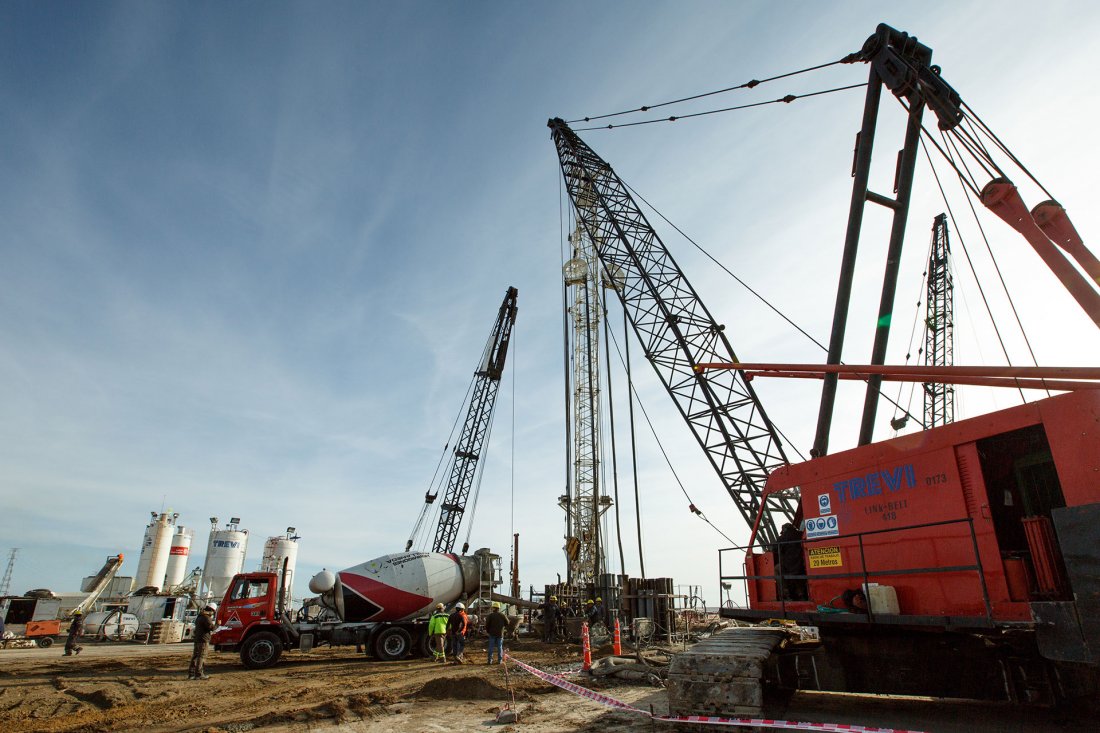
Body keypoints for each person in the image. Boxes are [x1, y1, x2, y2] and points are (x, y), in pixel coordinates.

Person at [774, 522, 808, 601]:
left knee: (777, 569)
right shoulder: (800, 534)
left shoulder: (782, 538)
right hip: (802, 565)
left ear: (784, 530)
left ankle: (786, 595)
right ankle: (801, 594)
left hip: (788, 566)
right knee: (798, 572)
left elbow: (774, 549)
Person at [188, 603, 216, 680]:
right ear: (211, 610)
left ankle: (191, 674)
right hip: (203, 640)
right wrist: (217, 625)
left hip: (197, 639)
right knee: (201, 657)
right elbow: (211, 627)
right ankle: (199, 674)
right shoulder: (206, 617)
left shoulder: (199, 616)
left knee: (195, 656)